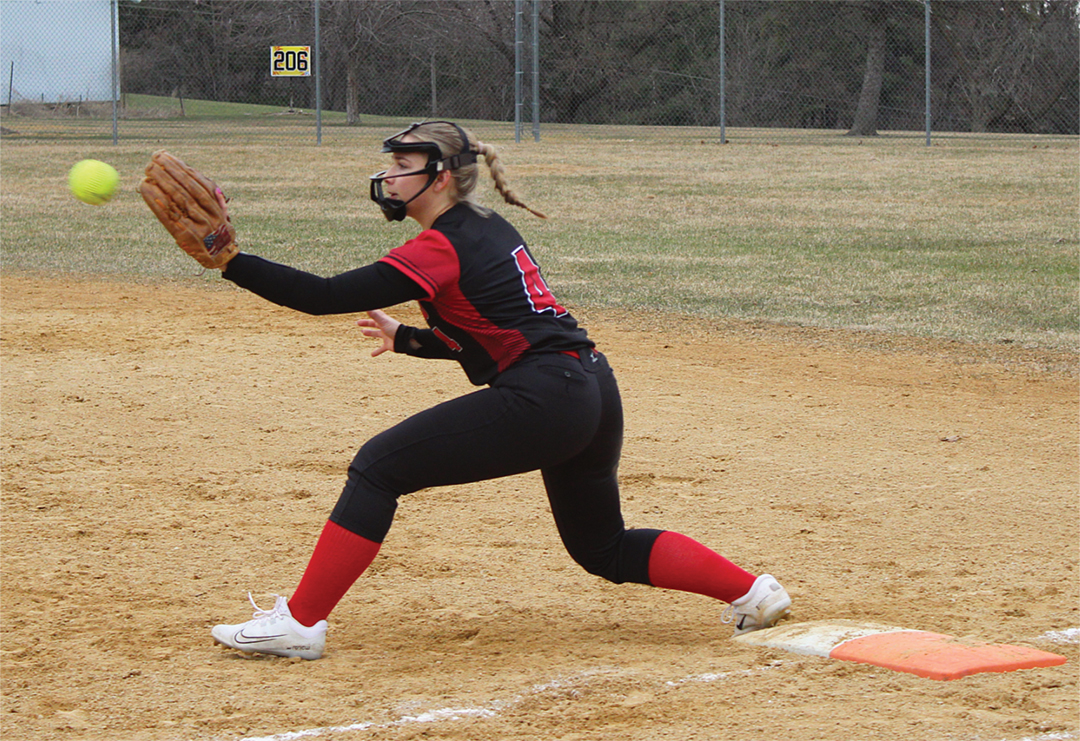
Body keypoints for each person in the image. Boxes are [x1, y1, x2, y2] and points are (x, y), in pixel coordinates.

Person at [209, 121, 791, 660]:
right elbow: (496, 329)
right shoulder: (484, 226)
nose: (387, 174)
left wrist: (229, 259)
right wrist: (409, 339)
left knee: (377, 467)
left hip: (547, 395)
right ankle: (752, 591)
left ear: (438, 177)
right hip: (589, 384)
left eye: (401, 163)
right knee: (601, 546)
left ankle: (301, 624)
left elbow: (323, 296)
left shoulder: (441, 245)